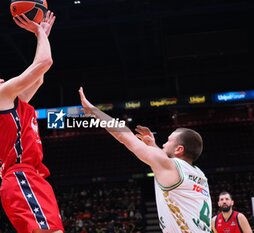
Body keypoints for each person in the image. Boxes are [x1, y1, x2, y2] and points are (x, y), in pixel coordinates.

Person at [0, 11, 64, 233]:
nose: (1, 80)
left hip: (29, 176)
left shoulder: (5, 104)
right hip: (21, 176)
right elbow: (45, 62)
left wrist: (42, 36)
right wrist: (39, 31)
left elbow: (39, 77)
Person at [78, 87, 212, 233]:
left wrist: (93, 111)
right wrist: (153, 146)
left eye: (168, 141)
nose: (164, 144)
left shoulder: (170, 166)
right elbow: (167, 163)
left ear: (179, 149)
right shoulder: (199, 175)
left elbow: (125, 136)